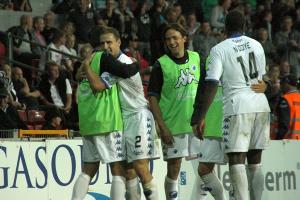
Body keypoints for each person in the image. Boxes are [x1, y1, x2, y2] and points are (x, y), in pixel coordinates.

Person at [191, 11, 270, 200]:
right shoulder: (257, 45)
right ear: (244, 26)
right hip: (260, 104)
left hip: (238, 106)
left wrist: (199, 116)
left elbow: (211, 83)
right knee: (255, 161)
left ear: (225, 27)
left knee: (236, 160)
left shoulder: (219, 49)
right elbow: (261, 78)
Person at [95, 27, 160, 200]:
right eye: (102, 43)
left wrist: (85, 68)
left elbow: (98, 86)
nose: (105, 46)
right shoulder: (113, 63)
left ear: (118, 42)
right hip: (124, 120)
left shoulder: (122, 64)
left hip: (138, 116)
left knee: (140, 167)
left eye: (109, 42)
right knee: (129, 170)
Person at [71, 49, 140, 200]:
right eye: (105, 43)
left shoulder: (85, 66)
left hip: (88, 123)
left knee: (88, 169)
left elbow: (79, 79)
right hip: (106, 122)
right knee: (118, 169)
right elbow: (124, 71)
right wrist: (136, 64)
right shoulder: (105, 61)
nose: (107, 47)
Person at [148, 23, 204, 200]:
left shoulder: (196, 57)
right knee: (174, 169)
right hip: (173, 126)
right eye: (168, 39)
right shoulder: (161, 64)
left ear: (184, 39)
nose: (171, 42)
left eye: (175, 38)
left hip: (195, 124)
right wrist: (162, 126)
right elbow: (152, 98)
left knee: (204, 170)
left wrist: (203, 117)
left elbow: (204, 90)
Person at [276, 74, 300, 139]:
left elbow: (284, 124)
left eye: (281, 84)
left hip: (288, 141)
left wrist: (278, 140)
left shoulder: (286, 100)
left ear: (287, 84)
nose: (280, 86)